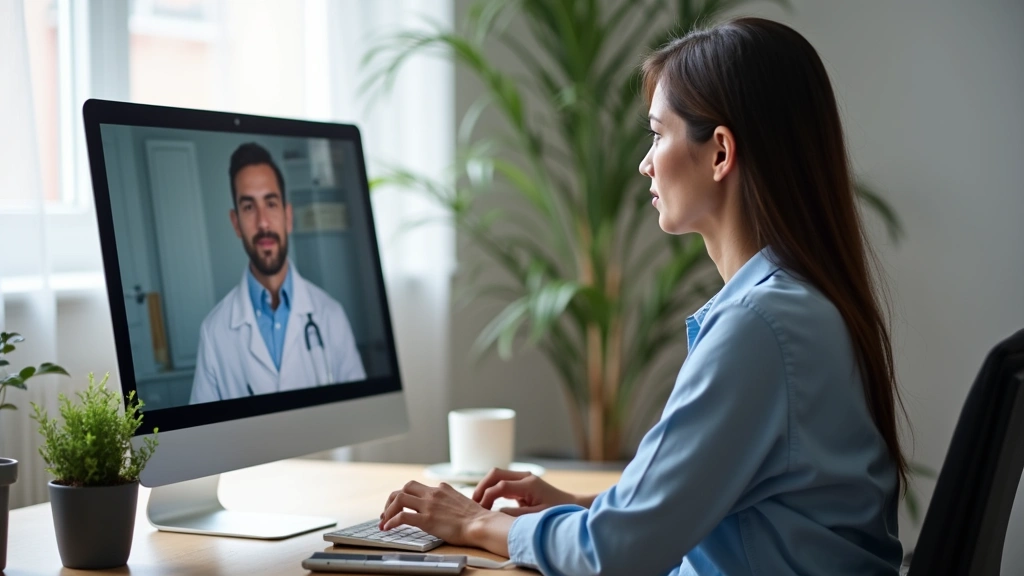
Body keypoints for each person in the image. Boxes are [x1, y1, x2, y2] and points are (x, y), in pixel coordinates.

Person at [377, 17, 907, 576]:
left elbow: (616, 555)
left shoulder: (761, 325)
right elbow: (722, 514)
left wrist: (474, 522)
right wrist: (584, 509)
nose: (645, 162)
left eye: (657, 134)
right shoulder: (803, 304)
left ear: (720, 152)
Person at [190, 142, 365, 404]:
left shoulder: (331, 314)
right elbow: (203, 440)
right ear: (236, 223)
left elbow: (361, 416)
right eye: (249, 207)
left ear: (288, 216)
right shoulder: (214, 332)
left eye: (270, 204)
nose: (262, 222)